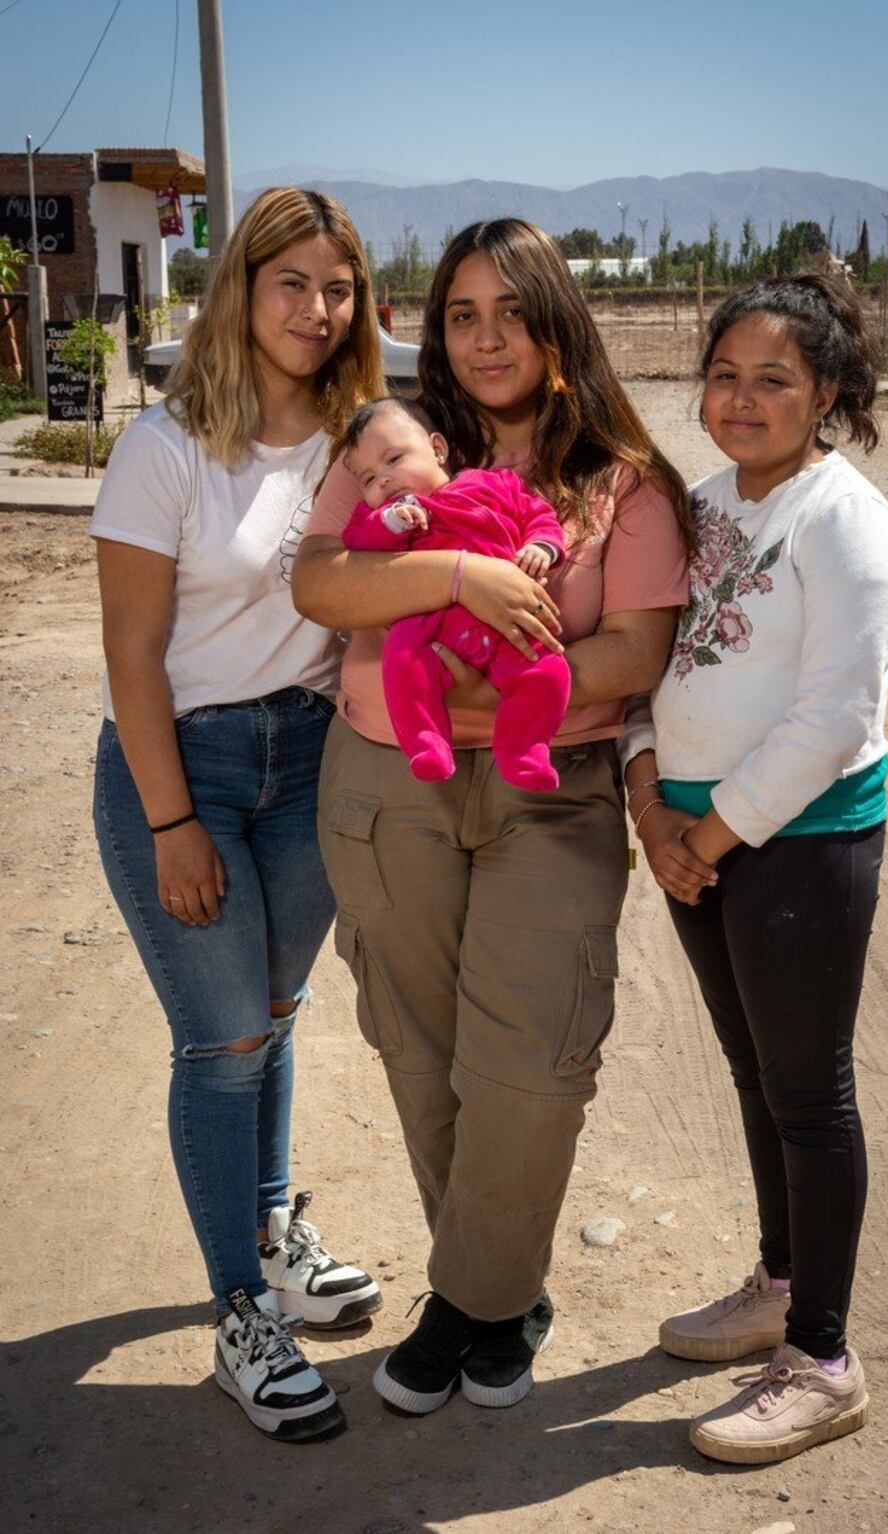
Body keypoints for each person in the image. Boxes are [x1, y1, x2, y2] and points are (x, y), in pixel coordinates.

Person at [292, 217, 690, 1415]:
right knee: (420, 1050)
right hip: (383, 780)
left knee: (531, 1065)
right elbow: (322, 580)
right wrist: (461, 582)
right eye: (460, 314)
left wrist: (494, 656)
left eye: (508, 311)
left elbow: (634, 649)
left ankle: (467, 1300)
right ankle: (500, 1292)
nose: (483, 338)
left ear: (557, 319)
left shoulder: (622, 475)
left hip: (547, 791)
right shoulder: (393, 443)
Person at [91, 187, 386, 1443]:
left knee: (272, 1017)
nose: (317, 310)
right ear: (239, 291)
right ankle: (237, 1316)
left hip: (309, 761)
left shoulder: (355, 441)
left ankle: (272, 1239)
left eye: (338, 287)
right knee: (218, 1043)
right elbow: (133, 654)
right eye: (292, 283)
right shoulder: (164, 449)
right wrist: (170, 825)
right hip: (189, 768)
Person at [620, 272, 888, 1464]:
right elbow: (646, 663)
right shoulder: (696, 505)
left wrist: (712, 831)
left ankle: (826, 1359)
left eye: (775, 380)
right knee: (754, 1073)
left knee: (809, 1091)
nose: (741, 400)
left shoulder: (851, 525)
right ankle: (780, 1283)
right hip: (698, 841)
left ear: (830, 392)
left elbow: (835, 715)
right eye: (725, 374)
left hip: (799, 842)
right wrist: (648, 799)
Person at [341, 395, 571, 789]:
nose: (383, 479)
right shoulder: (384, 517)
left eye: (394, 460)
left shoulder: (494, 484)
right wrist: (391, 523)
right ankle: (427, 744)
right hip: (431, 623)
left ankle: (525, 752)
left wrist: (542, 547)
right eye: (367, 479)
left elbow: (539, 516)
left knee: (548, 671)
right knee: (401, 657)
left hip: (507, 622)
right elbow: (359, 543)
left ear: (437, 449)